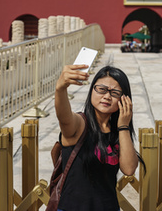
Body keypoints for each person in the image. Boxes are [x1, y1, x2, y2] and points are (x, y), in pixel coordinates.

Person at [54, 64, 144, 210]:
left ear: (124, 99)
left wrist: (123, 126)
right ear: (92, 91)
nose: (107, 96)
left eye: (114, 93)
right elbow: (64, 118)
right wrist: (60, 89)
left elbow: (129, 169)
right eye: (101, 89)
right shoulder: (79, 124)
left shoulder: (118, 132)